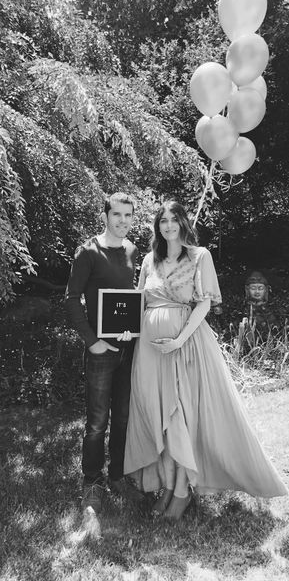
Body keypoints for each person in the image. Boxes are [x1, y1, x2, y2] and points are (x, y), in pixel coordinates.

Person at [123, 200, 287, 520]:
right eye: (163, 220)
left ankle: (183, 493)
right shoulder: (148, 261)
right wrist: (124, 329)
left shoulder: (200, 257)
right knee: (160, 419)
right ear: (157, 226)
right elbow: (137, 303)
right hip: (149, 352)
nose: (168, 225)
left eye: (174, 219)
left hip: (186, 346)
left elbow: (203, 305)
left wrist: (178, 341)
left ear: (183, 222)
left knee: (181, 416)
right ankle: (168, 486)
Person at [65, 192, 139, 513]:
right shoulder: (88, 252)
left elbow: (128, 299)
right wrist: (91, 340)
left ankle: (117, 476)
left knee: (122, 418)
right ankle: (92, 482)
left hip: (127, 349)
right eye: (117, 215)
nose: (123, 221)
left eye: (128, 216)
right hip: (99, 352)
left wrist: (131, 328)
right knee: (97, 421)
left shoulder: (132, 251)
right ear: (105, 215)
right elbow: (71, 299)